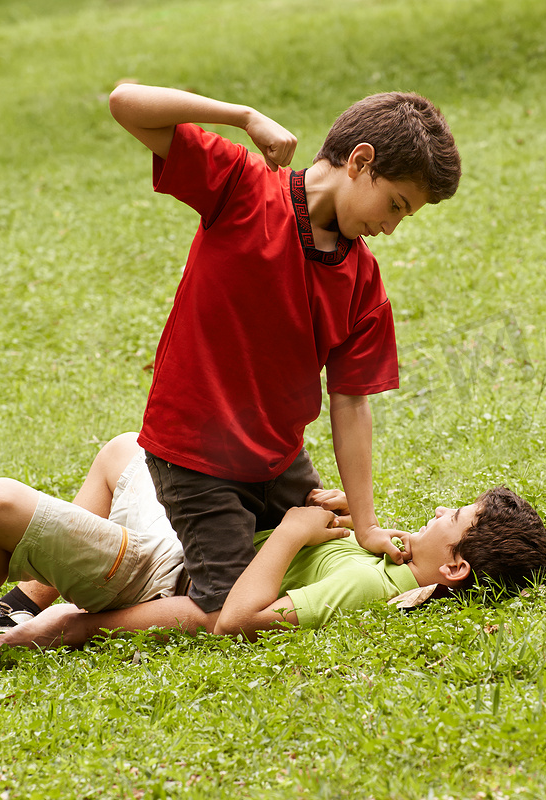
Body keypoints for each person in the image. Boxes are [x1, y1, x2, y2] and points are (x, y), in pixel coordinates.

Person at [100, 84, 463, 627]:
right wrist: (242, 116)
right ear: (361, 162)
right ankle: (65, 622)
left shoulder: (363, 281)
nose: (390, 227)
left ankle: (41, 589)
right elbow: (125, 103)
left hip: (280, 464)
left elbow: (352, 404)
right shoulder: (241, 187)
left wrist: (365, 525)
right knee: (223, 606)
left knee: (324, 548)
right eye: (395, 205)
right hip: (197, 459)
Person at [0, 433, 546, 663]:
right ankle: (18, 600)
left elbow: (230, 617)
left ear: (456, 565)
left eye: (453, 516)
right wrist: (323, 515)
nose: (438, 510)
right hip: (187, 542)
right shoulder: (392, 563)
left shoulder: (366, 591)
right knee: (130, 448)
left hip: (163, 576)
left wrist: (80, 627)